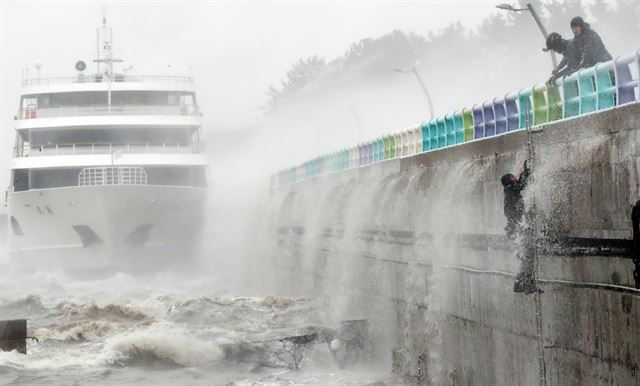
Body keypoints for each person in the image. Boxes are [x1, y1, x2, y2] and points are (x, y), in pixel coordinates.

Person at [501, 160, 530, 239]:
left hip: (510, 211)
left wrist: (524, 173)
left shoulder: (509, 188)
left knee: (515, 224)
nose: (515, 177)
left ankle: (514, 235)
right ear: (509, 181)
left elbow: (520, 184)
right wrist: (525, 173)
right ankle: (513, 234)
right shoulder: (510, 189)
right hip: (512, 211)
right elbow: (521, 185)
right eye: (512, 177)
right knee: (516, 223)